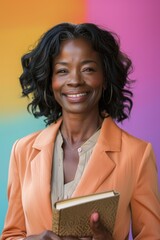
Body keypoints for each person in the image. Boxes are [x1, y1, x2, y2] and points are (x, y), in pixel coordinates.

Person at [1, 22, 160, 240]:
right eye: (62, 71)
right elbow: (11, 234)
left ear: (105, 78)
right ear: (50, 81)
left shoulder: (137, 154)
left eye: (88, 69)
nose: (75, 80)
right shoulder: (23, 151)